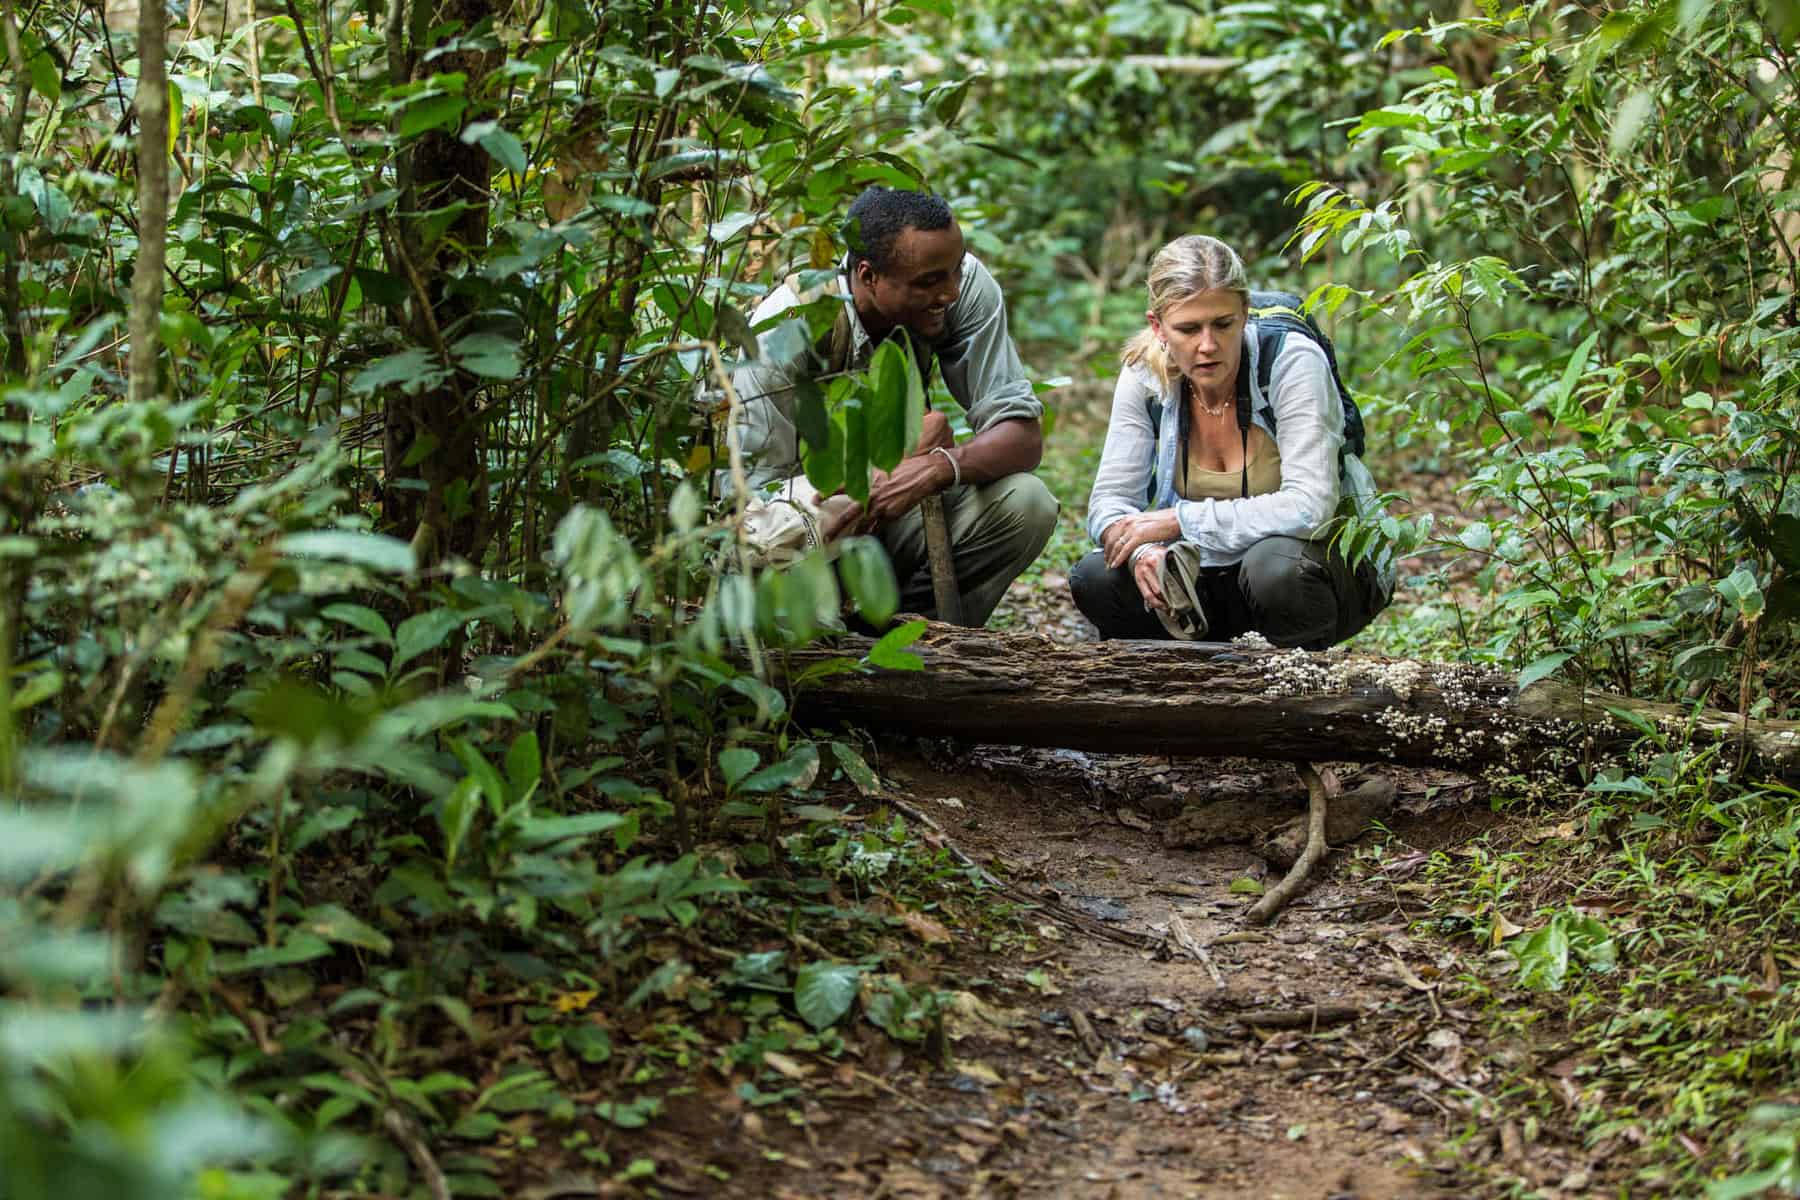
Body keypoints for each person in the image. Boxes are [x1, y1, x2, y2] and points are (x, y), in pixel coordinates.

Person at [731, 187, 1058, 627]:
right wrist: (871, 475)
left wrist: (938, 466)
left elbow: (1021, 436)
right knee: (777, 534)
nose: (951, 292)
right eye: (928, 282)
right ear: (867, 276)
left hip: (895, 510)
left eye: (956, 271)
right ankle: (820, 638)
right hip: (814, 521)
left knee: (1027, 504)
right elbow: (756, 507)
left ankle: (907, 633)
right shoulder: (786, 330)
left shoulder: (958, 282)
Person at [1071, 234, 1393, 646]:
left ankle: (1293, 687)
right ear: (1158, 327)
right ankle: (1172, 689)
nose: (1208, 345)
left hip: (1306, 574)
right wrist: (1142, 553)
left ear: (1245, 313)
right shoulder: (1144, 375)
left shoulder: (1290, 360)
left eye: (1223, 324)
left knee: (1274, 569)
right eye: (1188, 329)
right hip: (1198, 584)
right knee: (1096, 577)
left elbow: (1312, 508)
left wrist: (1178, 520)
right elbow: (1109, 503)